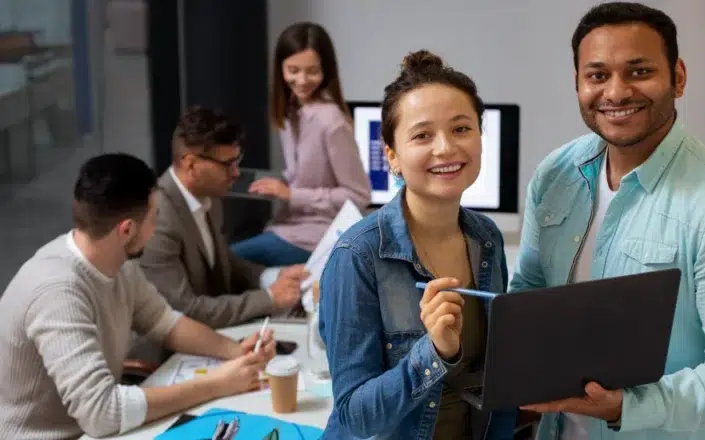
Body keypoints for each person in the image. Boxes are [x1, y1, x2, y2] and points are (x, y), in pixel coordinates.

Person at [512, 3, 705, 439]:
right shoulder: (555, 175)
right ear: (577, 83)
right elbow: (529, 294)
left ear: (678, 78)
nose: (616, 92)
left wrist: (625, 408)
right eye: (597, 75)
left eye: (639, 71)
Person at [0, 153, 277, 440]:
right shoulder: (57, 291)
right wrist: (218, 384)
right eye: (154, 217)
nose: (157, 228)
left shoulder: (118, 263)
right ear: (127, 230)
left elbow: (165, 323)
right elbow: (101, 412)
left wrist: (237, 351)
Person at [319, 50, 517, 440]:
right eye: (422, 135)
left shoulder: (487, 238)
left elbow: (492, 381)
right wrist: (435, 353)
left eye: (461, 129)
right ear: (392, 157)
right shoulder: (356, 256)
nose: (445, 148)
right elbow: (356, 417)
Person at [139, 106, 308, 330]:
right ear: (191, 164)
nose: (236, 173)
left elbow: (222, 260)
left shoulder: (209, 196)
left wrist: (272, 276)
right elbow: (184, 311)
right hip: (170, 352)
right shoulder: (158, 219)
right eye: (227, 164)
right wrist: (268, 298)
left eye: (237, 160)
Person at [230, 22, 372, 267]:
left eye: (312, 71)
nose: (302, 80)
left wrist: (291, 194)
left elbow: (358, 195)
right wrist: (280, 183)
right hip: (288, 225)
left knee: (224, 263)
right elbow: (306, 175)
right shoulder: (290, 110)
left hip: (315, 236)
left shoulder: (332, 121)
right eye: (293, 70)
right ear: (280, 69)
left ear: (326, 70)